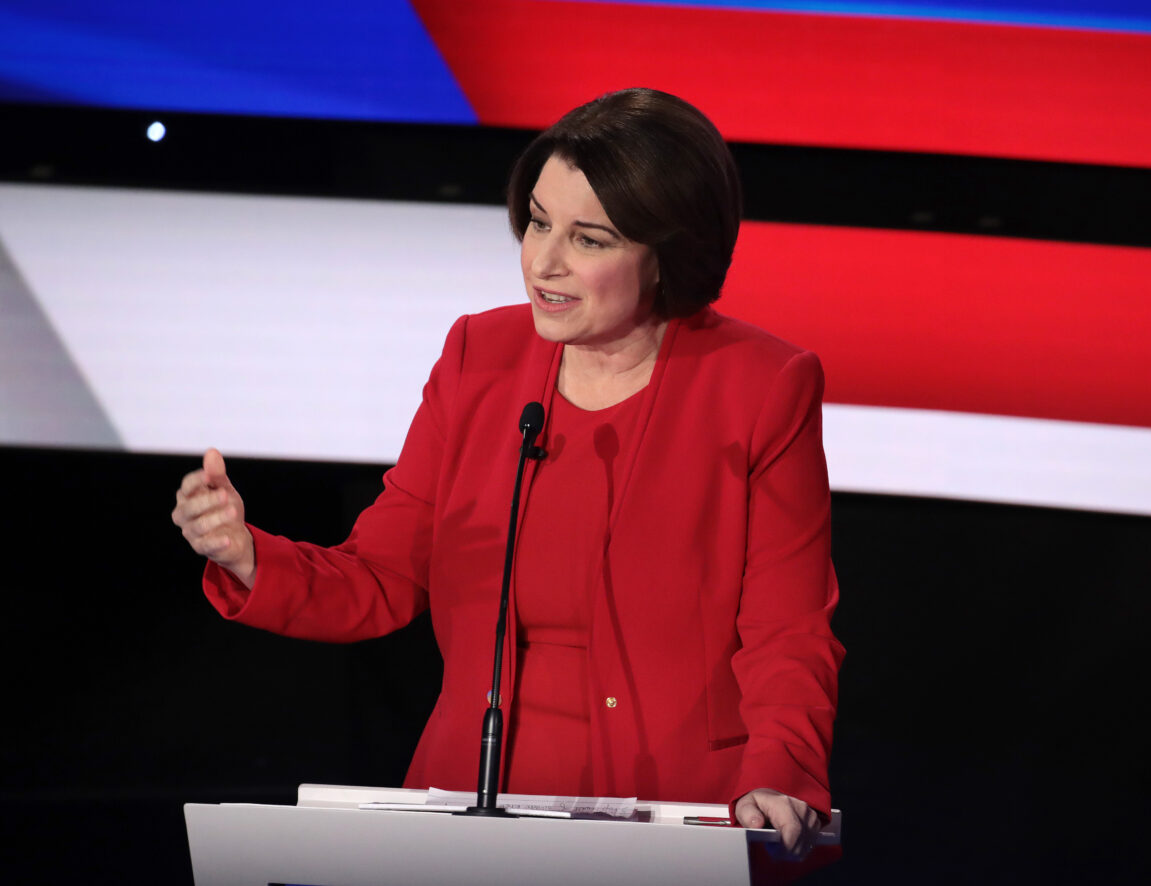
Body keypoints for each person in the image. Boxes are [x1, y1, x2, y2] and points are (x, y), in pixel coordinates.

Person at [172, 88, 843, 859]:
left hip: (678, 809)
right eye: (537, 221)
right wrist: (248, 556)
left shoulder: (760, 385)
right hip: (474, 802)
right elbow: (383, 575)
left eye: (590, 239)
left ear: (669, 252)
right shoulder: (478, 359)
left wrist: (780, 771)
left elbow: (788, 628)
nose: (543, 262)